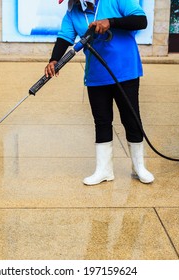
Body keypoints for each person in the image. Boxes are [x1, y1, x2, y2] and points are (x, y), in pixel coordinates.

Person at [45, 0, 154, 185]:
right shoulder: (73, 12)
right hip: (96, 75)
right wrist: (54, 59)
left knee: (131, 118)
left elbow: (141, 21)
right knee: (102, 120)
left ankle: (139, 167)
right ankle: (104, 170)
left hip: (125, 71)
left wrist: (111, 22)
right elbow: (65, 37)